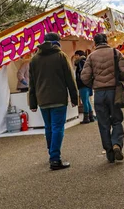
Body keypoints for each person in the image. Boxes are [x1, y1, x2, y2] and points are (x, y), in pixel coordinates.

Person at [29, 33, 79, 170]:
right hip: (58, 98)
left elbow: (32, 84)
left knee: (49, 127)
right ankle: (55, 159)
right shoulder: (61, 56)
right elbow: (70, 78)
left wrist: (32, 102)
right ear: (57, 42)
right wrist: (75, 98)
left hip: (42, 99)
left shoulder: (34, 59)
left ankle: (52, 153)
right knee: (57, 127)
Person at [81, 33, 124, 163]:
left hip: (99, 94)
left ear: (95, 43)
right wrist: (119, 80)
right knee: (117, 120)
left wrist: (94, 84)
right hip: (114, 91)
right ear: (106, 41)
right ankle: (117, 144)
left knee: (103, 123)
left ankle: (109, 153)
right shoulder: (115, 52)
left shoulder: (91, 57)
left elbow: (84, 77)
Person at [74, 50, 94, 124]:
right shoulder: (86, 61)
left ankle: (86, 118)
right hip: (88, 84)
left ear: (78, 55)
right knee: (87, 101)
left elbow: (81, 73)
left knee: (84, 101)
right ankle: (91, 116)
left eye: (75, 55)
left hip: (83, 84)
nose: (75, 57)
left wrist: (80, 81)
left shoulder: (80, 62)